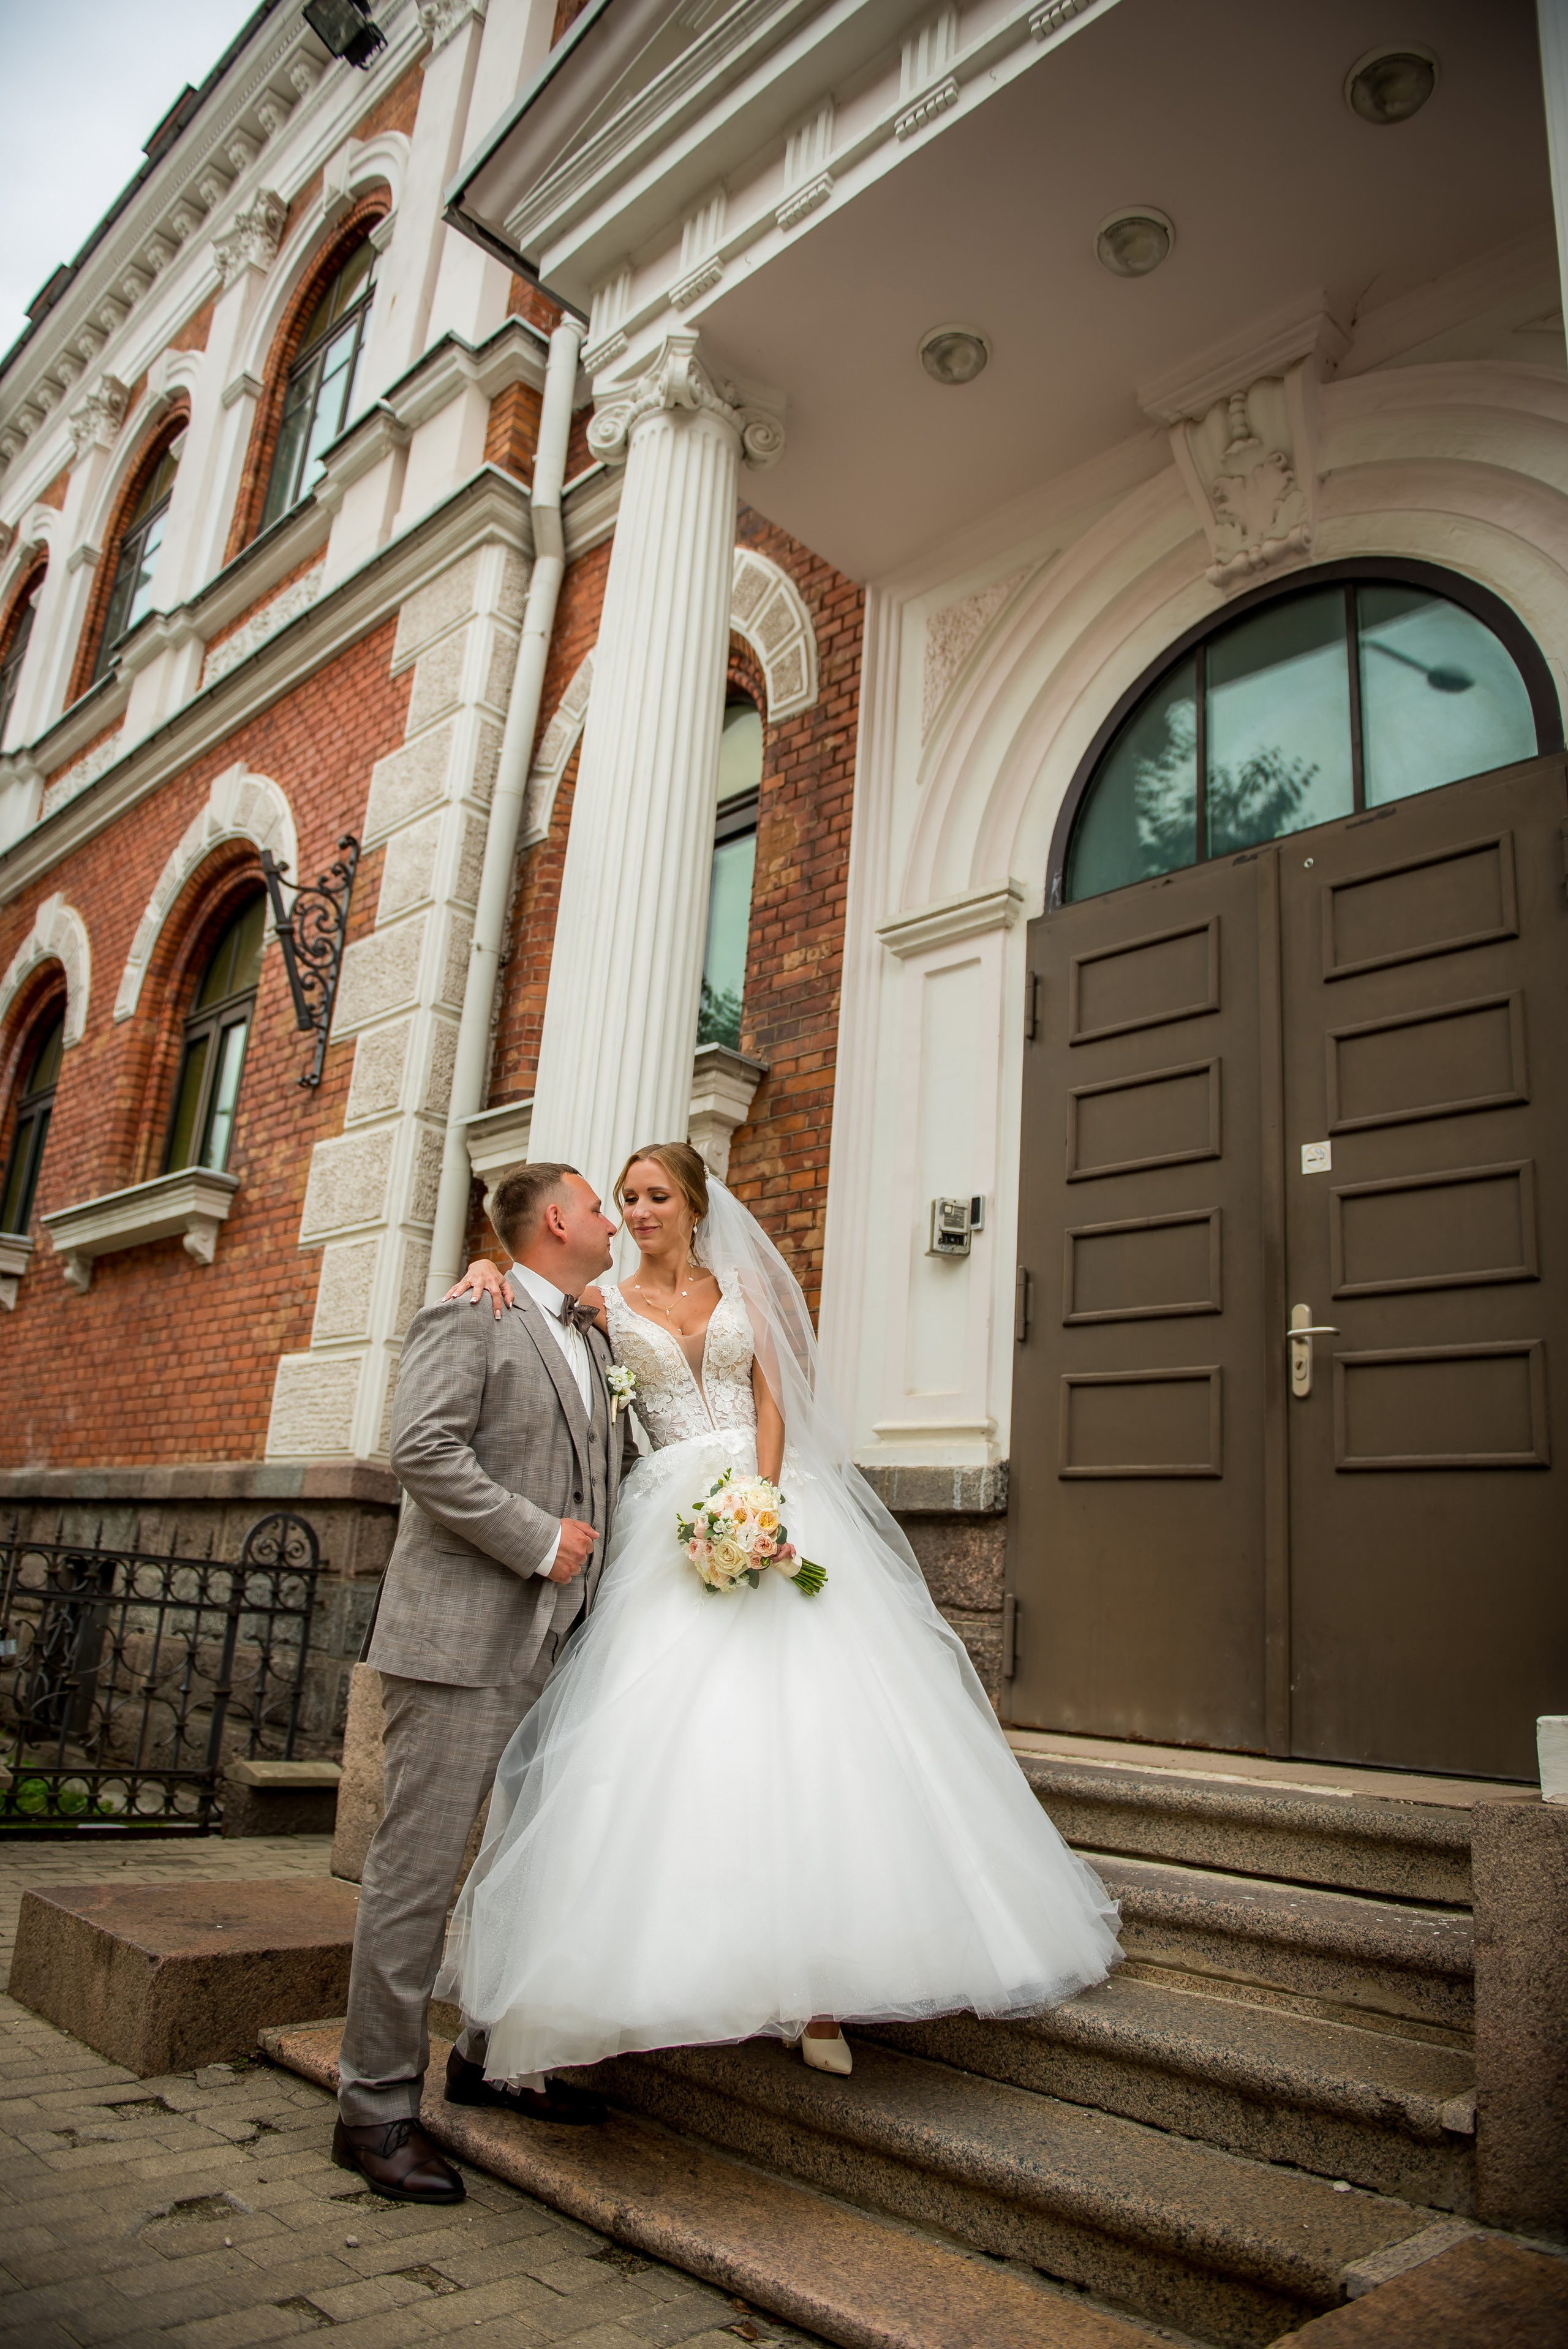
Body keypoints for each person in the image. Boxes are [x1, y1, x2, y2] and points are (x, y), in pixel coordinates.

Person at [437, 1143, 1121, 2089]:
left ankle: (825, 1993)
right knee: (675, 1741)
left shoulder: (744, 1294)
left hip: (772, 1509)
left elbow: (771, 1401)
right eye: (624, 1199)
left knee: (827, 1730)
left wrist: (759, 1505)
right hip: (663, 1528)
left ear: (692, 1204)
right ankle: (650, 1971)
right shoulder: (602, 1305)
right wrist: (483, 1266)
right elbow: (533, 1295)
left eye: (654, 1196)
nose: (636, 1212)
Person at [331, 1161, 635, 2206]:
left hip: (565, 1649)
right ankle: (373, 2110)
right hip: (463, 1643)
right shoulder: (473, 1315)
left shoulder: (591, 1331)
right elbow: (419, 1447)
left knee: (525, 1867)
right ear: (557, 1219)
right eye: (599, 1204)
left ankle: (487, 2060)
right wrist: (538, 1536)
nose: (611, 1219)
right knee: (415, 1877)